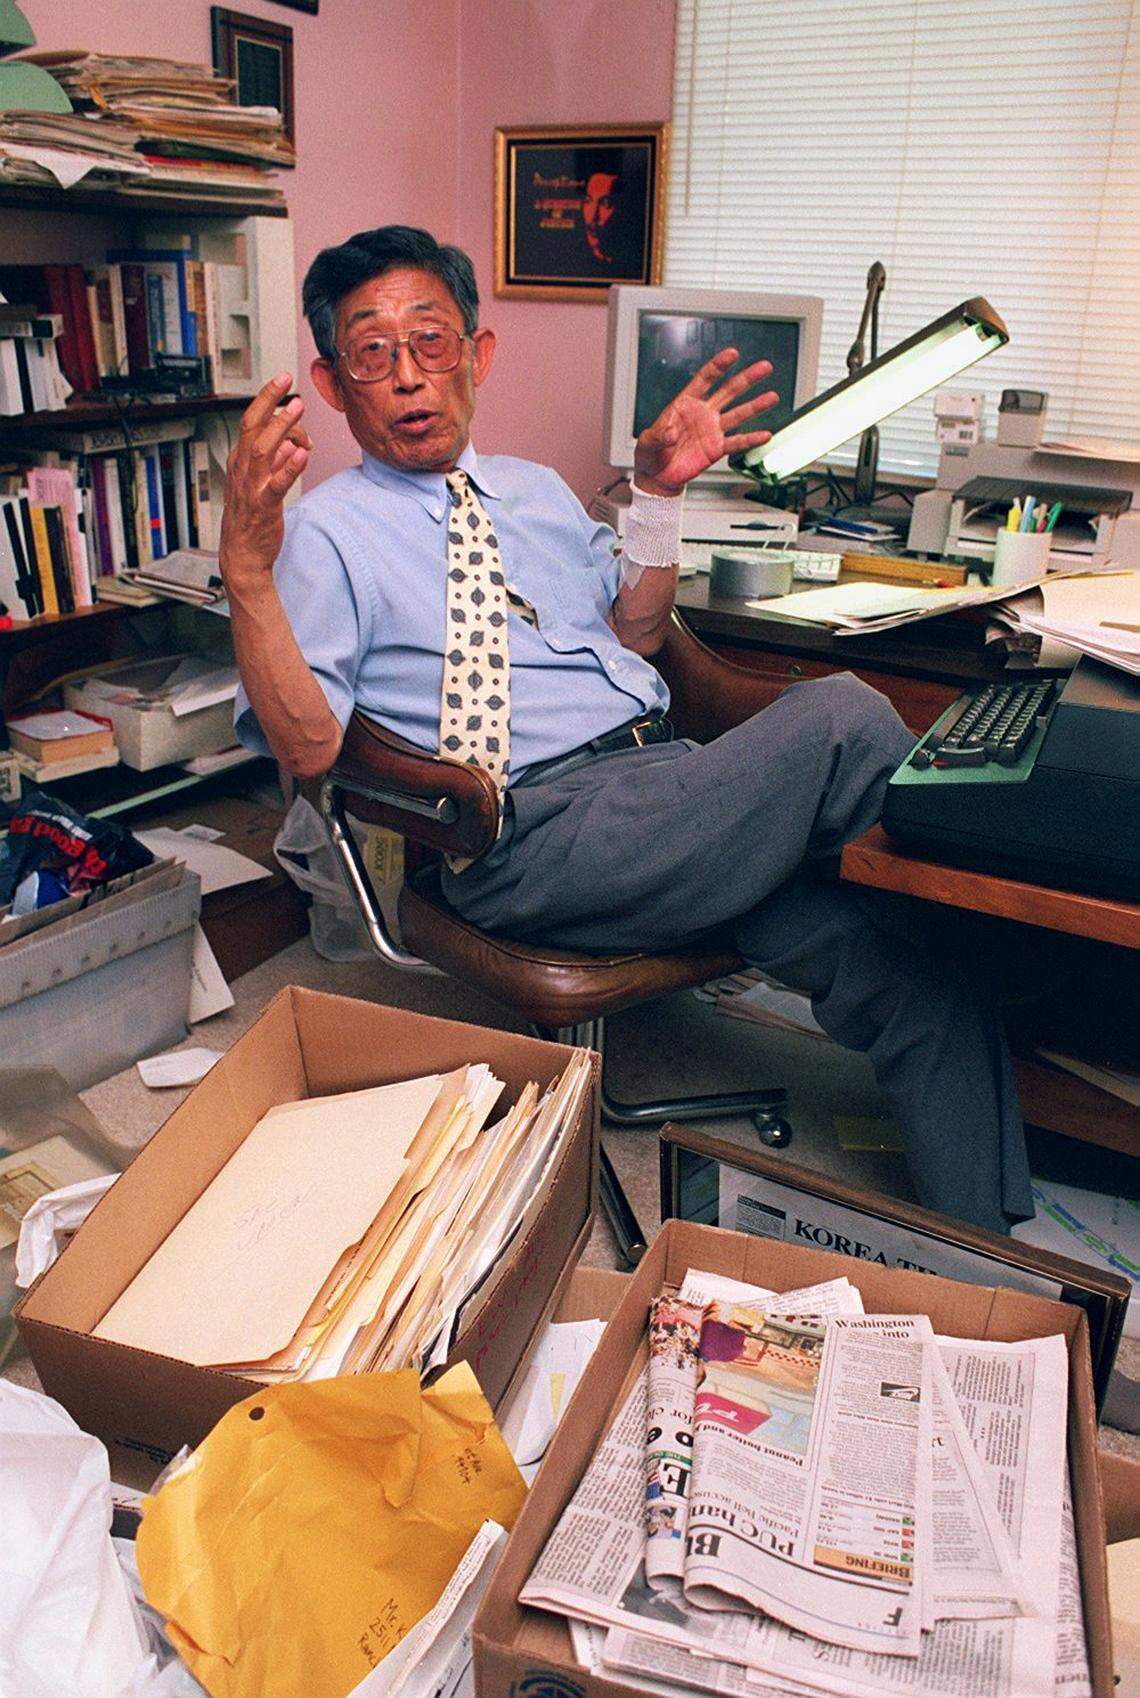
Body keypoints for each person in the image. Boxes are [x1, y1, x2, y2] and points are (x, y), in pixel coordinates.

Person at [222, 223, 1033, 1237]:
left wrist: (658, 494)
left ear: (477, 355)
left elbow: (636, 635)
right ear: (334, 385)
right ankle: (1045, 932)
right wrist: (248, 572)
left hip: (668, 795)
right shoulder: (321, 535)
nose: (408, 379)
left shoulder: (534, 492)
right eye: (372, 353)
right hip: (528, 833)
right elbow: (307, 750)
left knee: (915, 973)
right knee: (845, 713)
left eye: (430, 342)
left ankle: (1001, 1264)